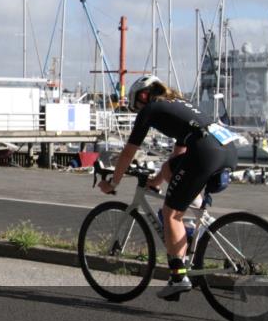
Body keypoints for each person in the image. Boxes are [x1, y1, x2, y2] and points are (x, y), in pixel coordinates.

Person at [98, 75, 238, 300]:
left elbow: (128, 152)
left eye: (136, 106)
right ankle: (198, 223)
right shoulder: (178, 104)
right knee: (169, 169)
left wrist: (113, 183)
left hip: (206, 152)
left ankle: (178, 277)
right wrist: (156, 180)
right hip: (227, 148)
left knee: (170, 213)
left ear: (143, 96)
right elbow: (178, 158)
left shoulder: (151, 109)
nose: (138, 111)